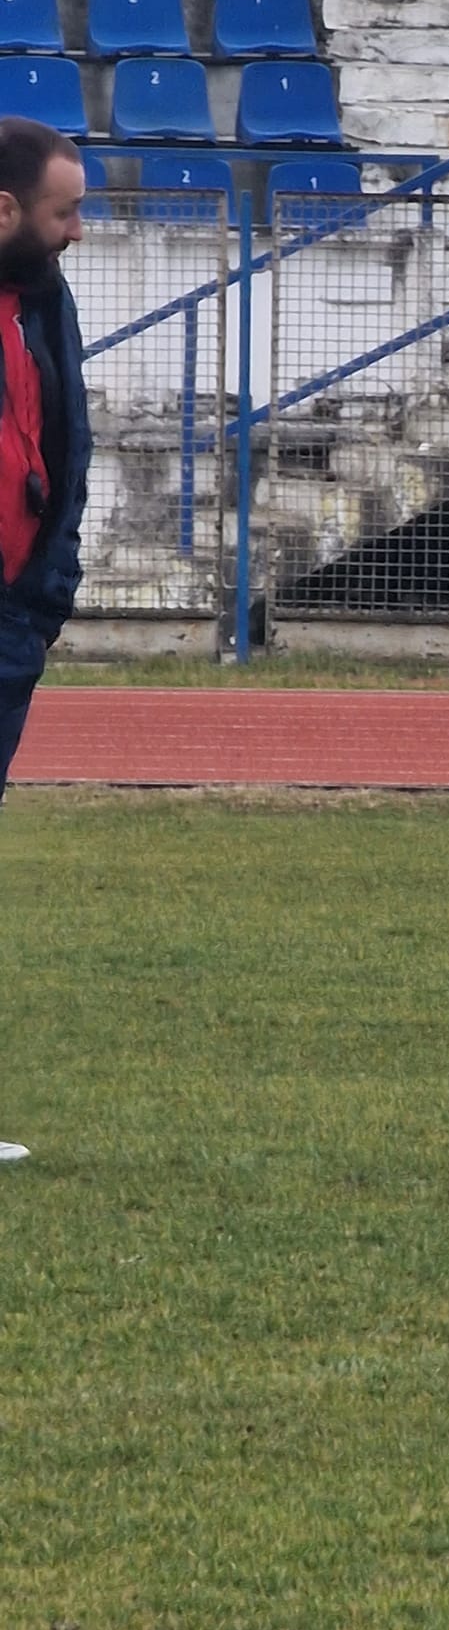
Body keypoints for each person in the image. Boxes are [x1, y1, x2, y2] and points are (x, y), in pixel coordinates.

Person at [0, 119, 92, 1161]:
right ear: (6, 209)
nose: (78, 229)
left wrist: (47, 584)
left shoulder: (46, 300)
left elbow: (67, 440)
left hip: (13, 614)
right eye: (64, 211)